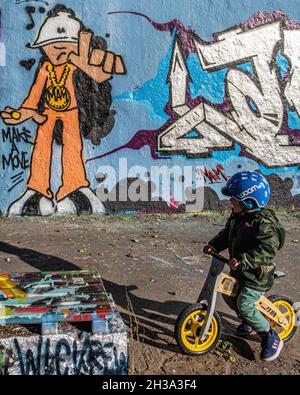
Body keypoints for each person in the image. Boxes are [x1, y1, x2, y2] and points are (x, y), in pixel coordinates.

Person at [1, 5, 125, 216]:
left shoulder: (75, 67)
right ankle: (37, 189)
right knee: (41, 145)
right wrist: (23, 113)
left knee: (73, 147)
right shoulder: (45, 69)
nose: (59, 51)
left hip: (72, 112)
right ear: (44, 48)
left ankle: (74, 188)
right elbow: (34, 96)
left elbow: (101, 76)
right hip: (47, 112)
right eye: (53, 47)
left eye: (65, 47)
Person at [203, 171, 286, 362]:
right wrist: (214, 245)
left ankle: (269, 335)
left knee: (245, 303)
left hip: (257, 275)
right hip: (239, 269)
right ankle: (248, 321)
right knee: (229, 294)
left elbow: (267, 250)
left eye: (234, 199)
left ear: (249, 203)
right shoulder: (236, 216)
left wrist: (244, 260)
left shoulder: (264, 224)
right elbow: (226, 235)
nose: (230, 201)